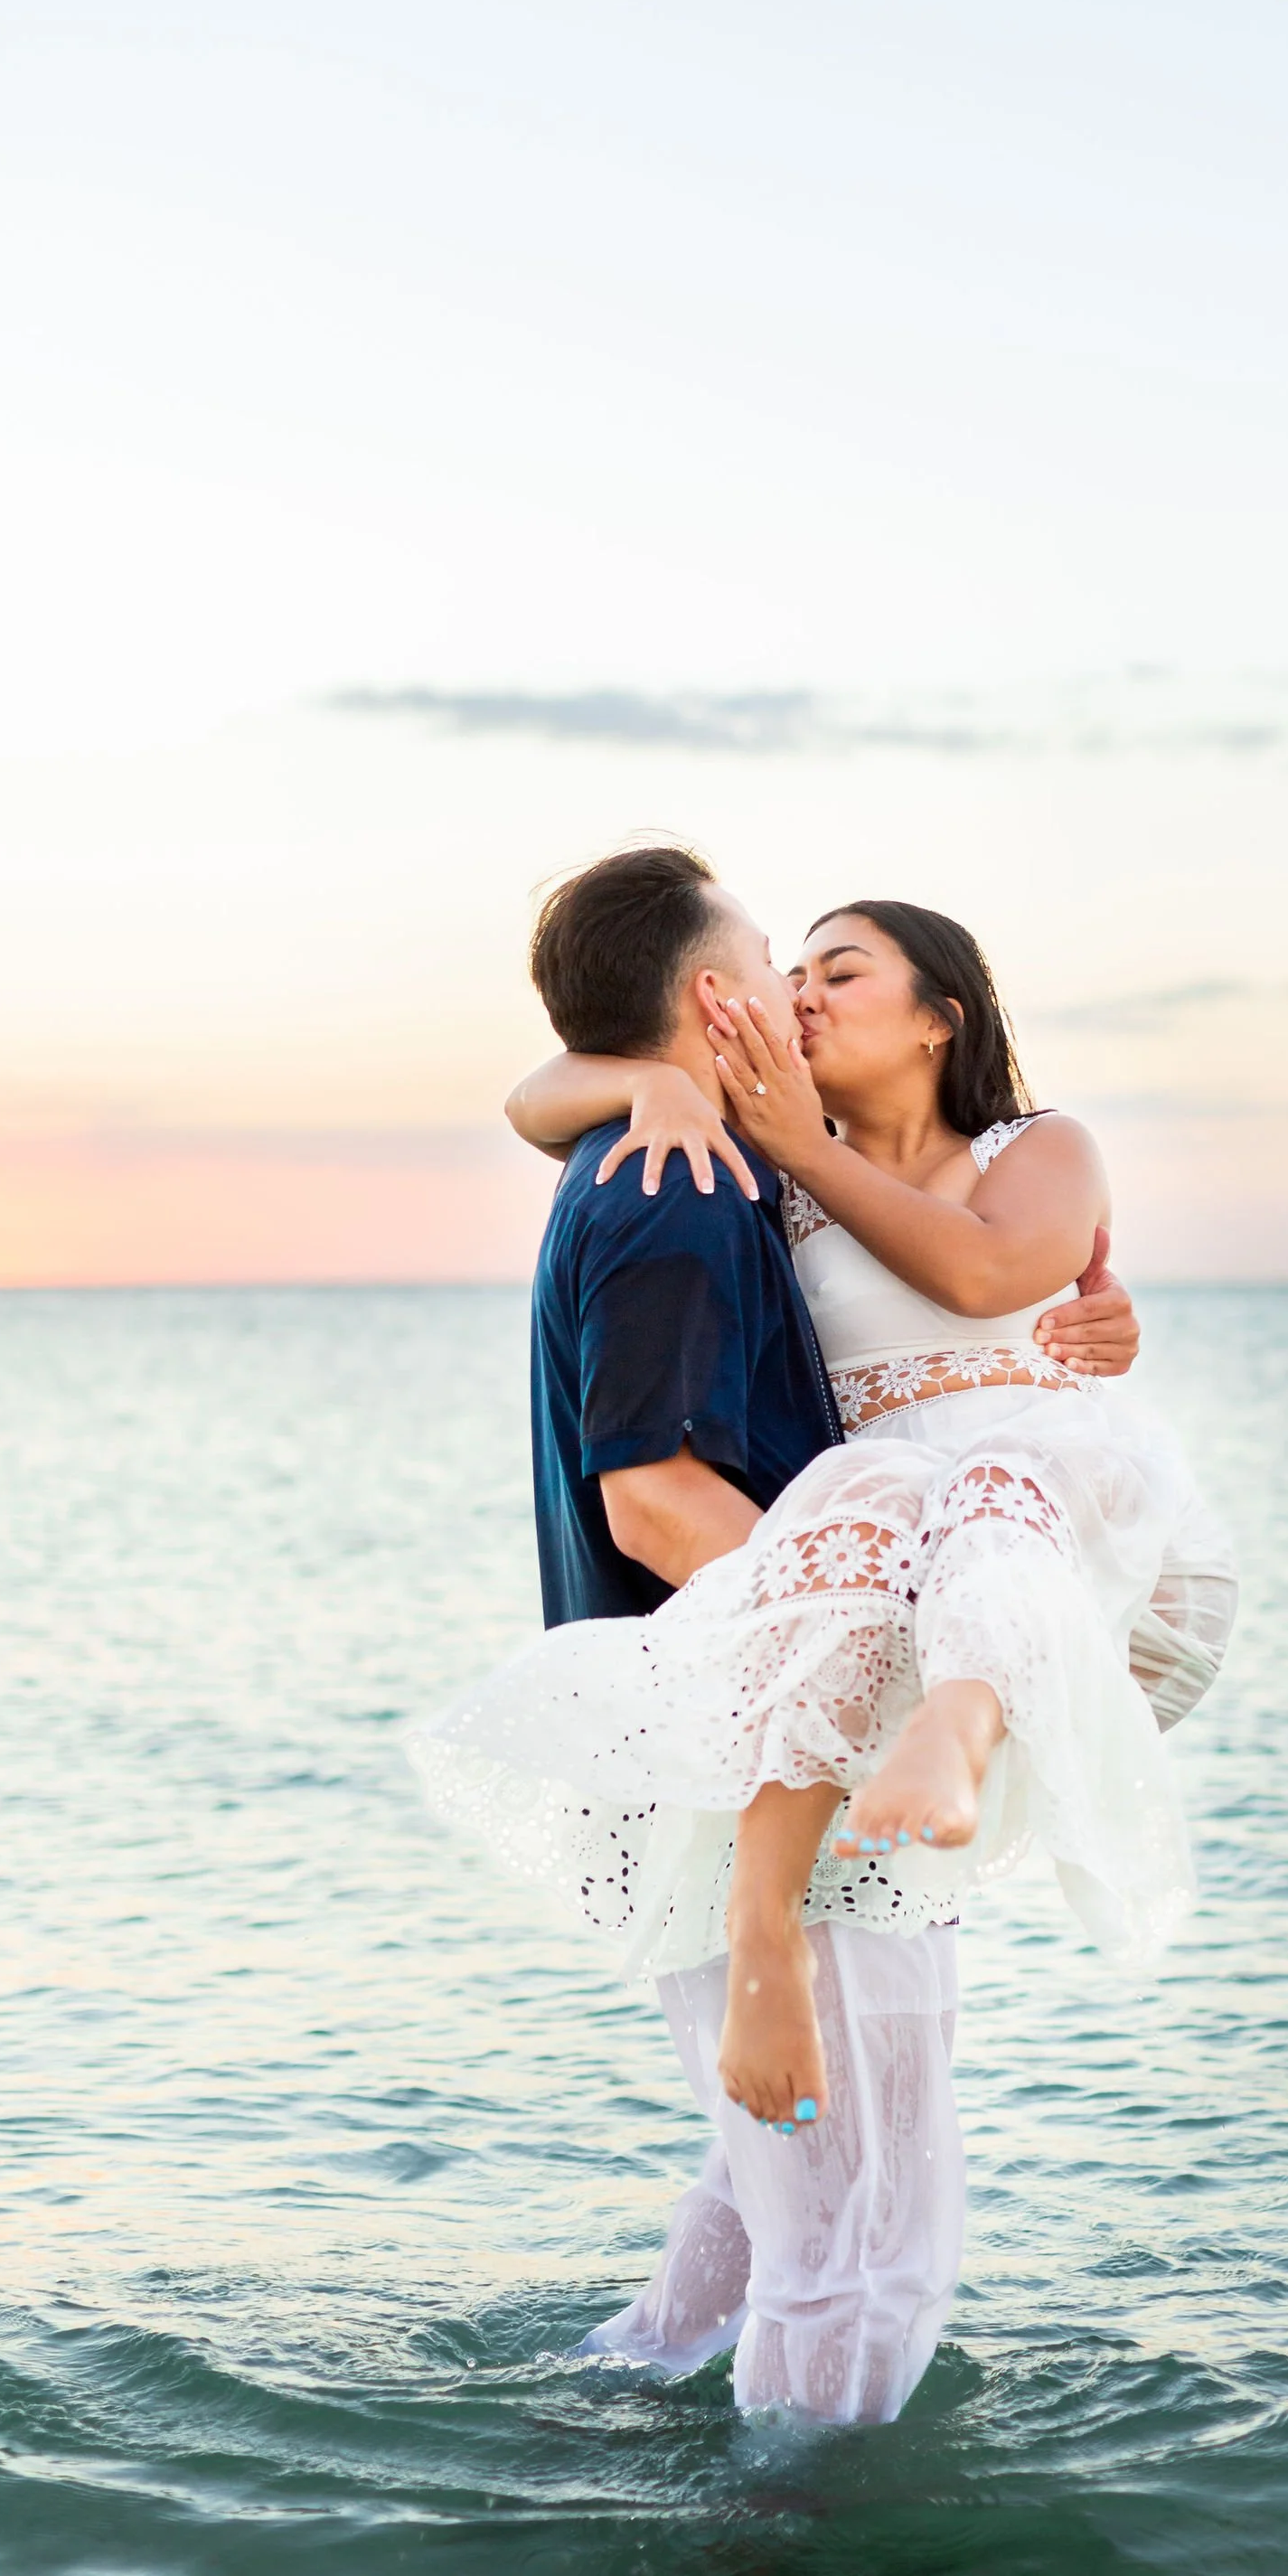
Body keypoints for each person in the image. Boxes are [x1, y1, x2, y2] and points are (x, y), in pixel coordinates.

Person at [409, 845, 1144, 2425]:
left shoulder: (714, 1158)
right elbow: (654, 1502)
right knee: (872, 2246)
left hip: (762, 1737)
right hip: (764, 1741)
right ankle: (785, 2529)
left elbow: (986, 1277)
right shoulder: (683, 1183)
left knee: (777, 2195)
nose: (794, 990)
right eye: (772, 961)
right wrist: (860, 1646)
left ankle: (606, 2409)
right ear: (714, 996)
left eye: (831, 971)